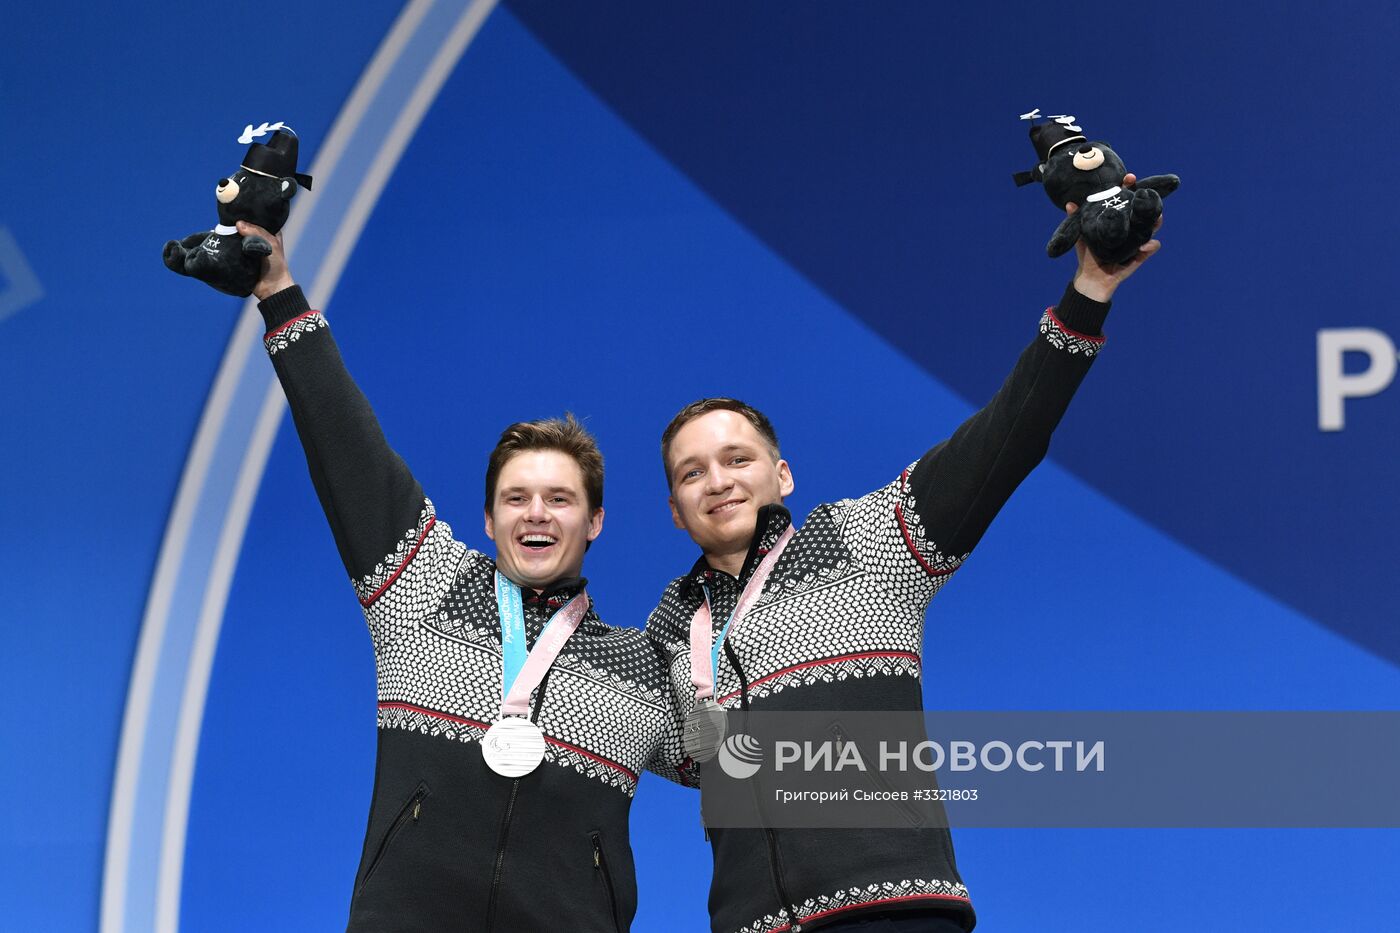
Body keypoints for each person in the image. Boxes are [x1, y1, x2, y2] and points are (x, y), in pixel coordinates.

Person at [645, 191, 1162, 932]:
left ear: (781, 475)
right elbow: (665, 750)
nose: (718, 480)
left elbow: (1004, 439)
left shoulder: (869, 540)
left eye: (737, 458)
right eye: (692, 472)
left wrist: (1090, 293)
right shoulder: (669, 628)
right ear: (674, 508)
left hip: (894, 912)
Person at [239, 220, 687, 931]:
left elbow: (755, 759)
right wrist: (277, 292)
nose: (535, 513)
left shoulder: (643, 667)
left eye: (560, 498)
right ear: (487, 517)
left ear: (595, 520)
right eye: (516, 497)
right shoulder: (425, 588)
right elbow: (349, 449)